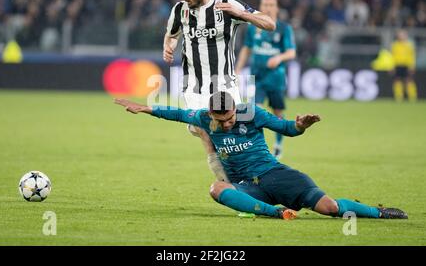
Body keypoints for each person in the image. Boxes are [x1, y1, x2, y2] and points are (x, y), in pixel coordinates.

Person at [114, 91, 408, 220]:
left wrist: (299, 125)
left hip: (276, 175)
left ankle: (379, 212)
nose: (227, 123)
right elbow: (176, 112)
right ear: (211, 114)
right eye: (222, 120)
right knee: (216, 188)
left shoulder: (251, 112)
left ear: (234, 109)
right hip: (250, 186)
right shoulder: (203, 117)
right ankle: (278, 213)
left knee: (330, 208)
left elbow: (285, 128)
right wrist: (146, 109)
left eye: (230, 117)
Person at [163, 0, 275, 182]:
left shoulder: (227, 5)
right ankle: (231, 186)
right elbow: (171, 35)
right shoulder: (180, 10)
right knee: (205, 132)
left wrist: (241, 14)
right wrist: (169, 46)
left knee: (234, 136)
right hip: (194, 86)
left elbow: (270, 24)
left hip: (225, 85)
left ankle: (248, 183)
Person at [236, 0, 296, 158]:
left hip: (276, 78)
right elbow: (247, 49)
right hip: (256, 77)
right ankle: (257, 147)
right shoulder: (251, 28)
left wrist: (279, 58)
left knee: (277, 113)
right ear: (261, 7)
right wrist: (238, 69)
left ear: (276, 8)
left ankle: (278, 145)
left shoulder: (284, 28)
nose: (268, 8)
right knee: (253, 110)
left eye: (271, 5)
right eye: (265, 5)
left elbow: (291, 52)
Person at [391, 29, 417, 102]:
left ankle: (412, 97)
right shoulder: (395, 45)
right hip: (397, 64)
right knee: (397, 80)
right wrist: (392, 66)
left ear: (406, 36)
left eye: (402, 35)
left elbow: (412, 56)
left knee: (409, 80)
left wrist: (412, 66)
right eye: (400, 35)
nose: (401, 36)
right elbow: (393, 56)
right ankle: (399, 96)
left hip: (407, 65)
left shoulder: (409, 45)